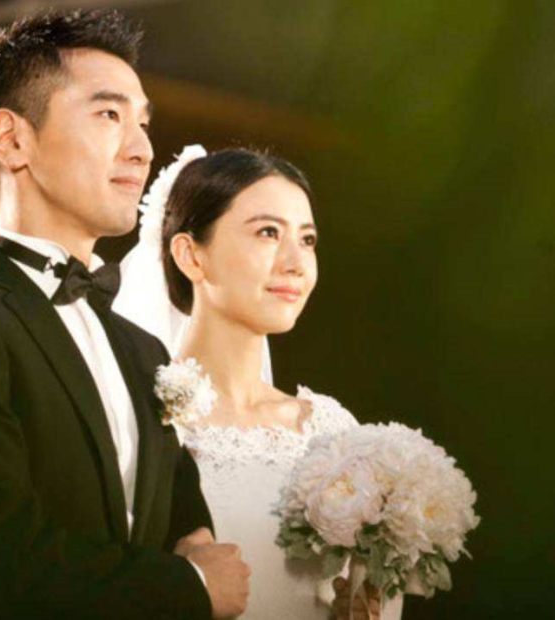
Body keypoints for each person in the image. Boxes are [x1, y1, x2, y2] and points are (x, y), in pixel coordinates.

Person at [0, 10, 250, 620]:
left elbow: (183, 523)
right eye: (109, 115)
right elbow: (5, 565)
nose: (142, 150)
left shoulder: (144, 351)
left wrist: (197, 548)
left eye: (143, 123)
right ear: (12, 139)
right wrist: (194, 587)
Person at [114, 147, 405, 619]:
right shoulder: (142, 419)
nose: (296, 262)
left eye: (307, 240)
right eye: (268, 232)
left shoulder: (333, 432)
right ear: (191, 255)